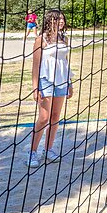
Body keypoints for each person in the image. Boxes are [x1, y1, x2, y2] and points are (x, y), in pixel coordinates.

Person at [29, 9, 71, 167]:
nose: (61, 21)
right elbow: (36, 65)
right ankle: (32, 152)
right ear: (49, 21)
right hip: (45, 81)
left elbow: (65, 62)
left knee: (55, 117)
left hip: (62, 81)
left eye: (62, 19)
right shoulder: (41, 40)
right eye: (58, 19)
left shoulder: (64, 38)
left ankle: (48, 149)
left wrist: (70, 83)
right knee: (44, 118)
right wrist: (35, 88)